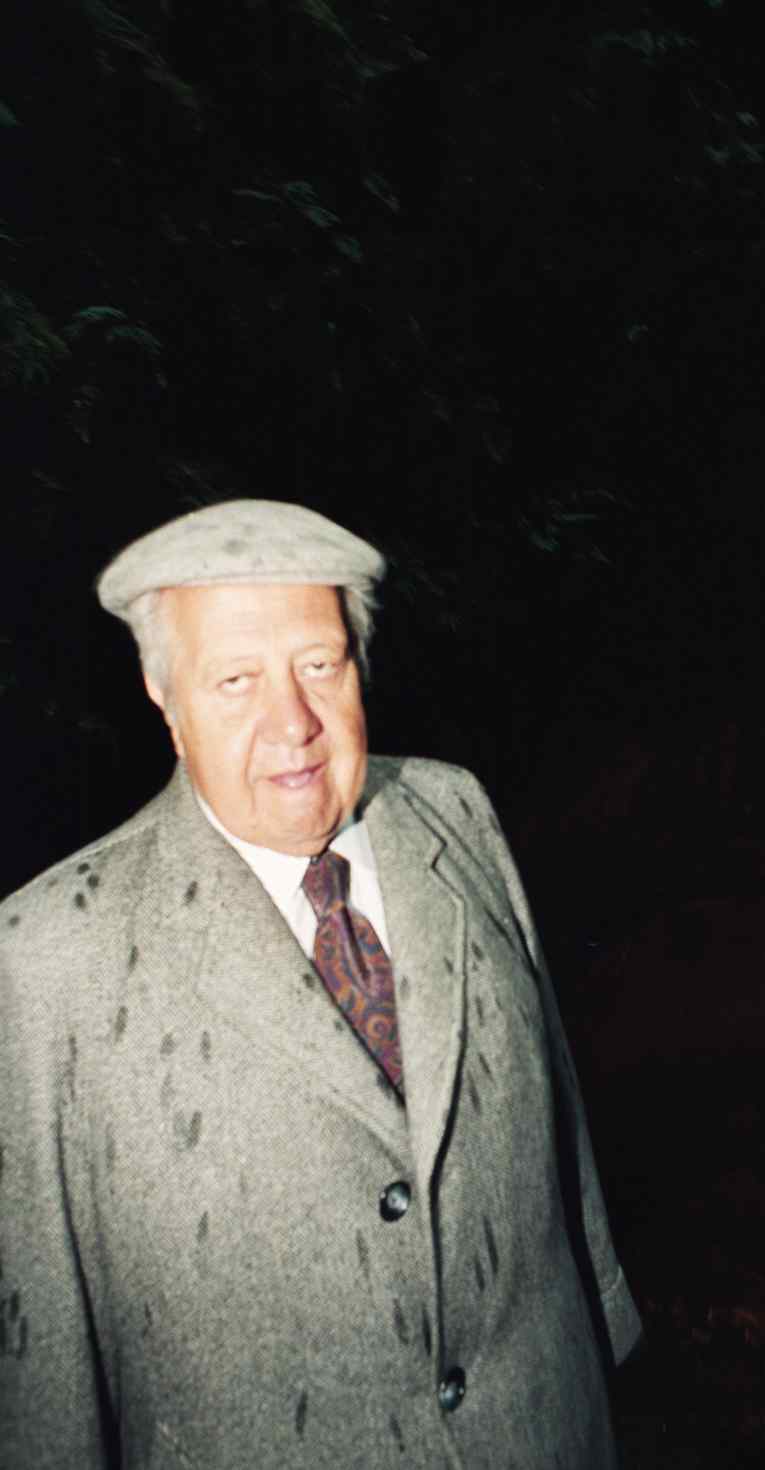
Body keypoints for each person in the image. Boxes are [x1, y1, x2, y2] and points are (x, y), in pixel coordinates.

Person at [0, 498, 641, 1468]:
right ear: (163, 696)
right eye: (235, 681)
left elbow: (558, 1126)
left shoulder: (456, 809)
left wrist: (604, 1333)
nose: (292, 724)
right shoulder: (47, 956)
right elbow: (38, 1369)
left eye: (318, 666)